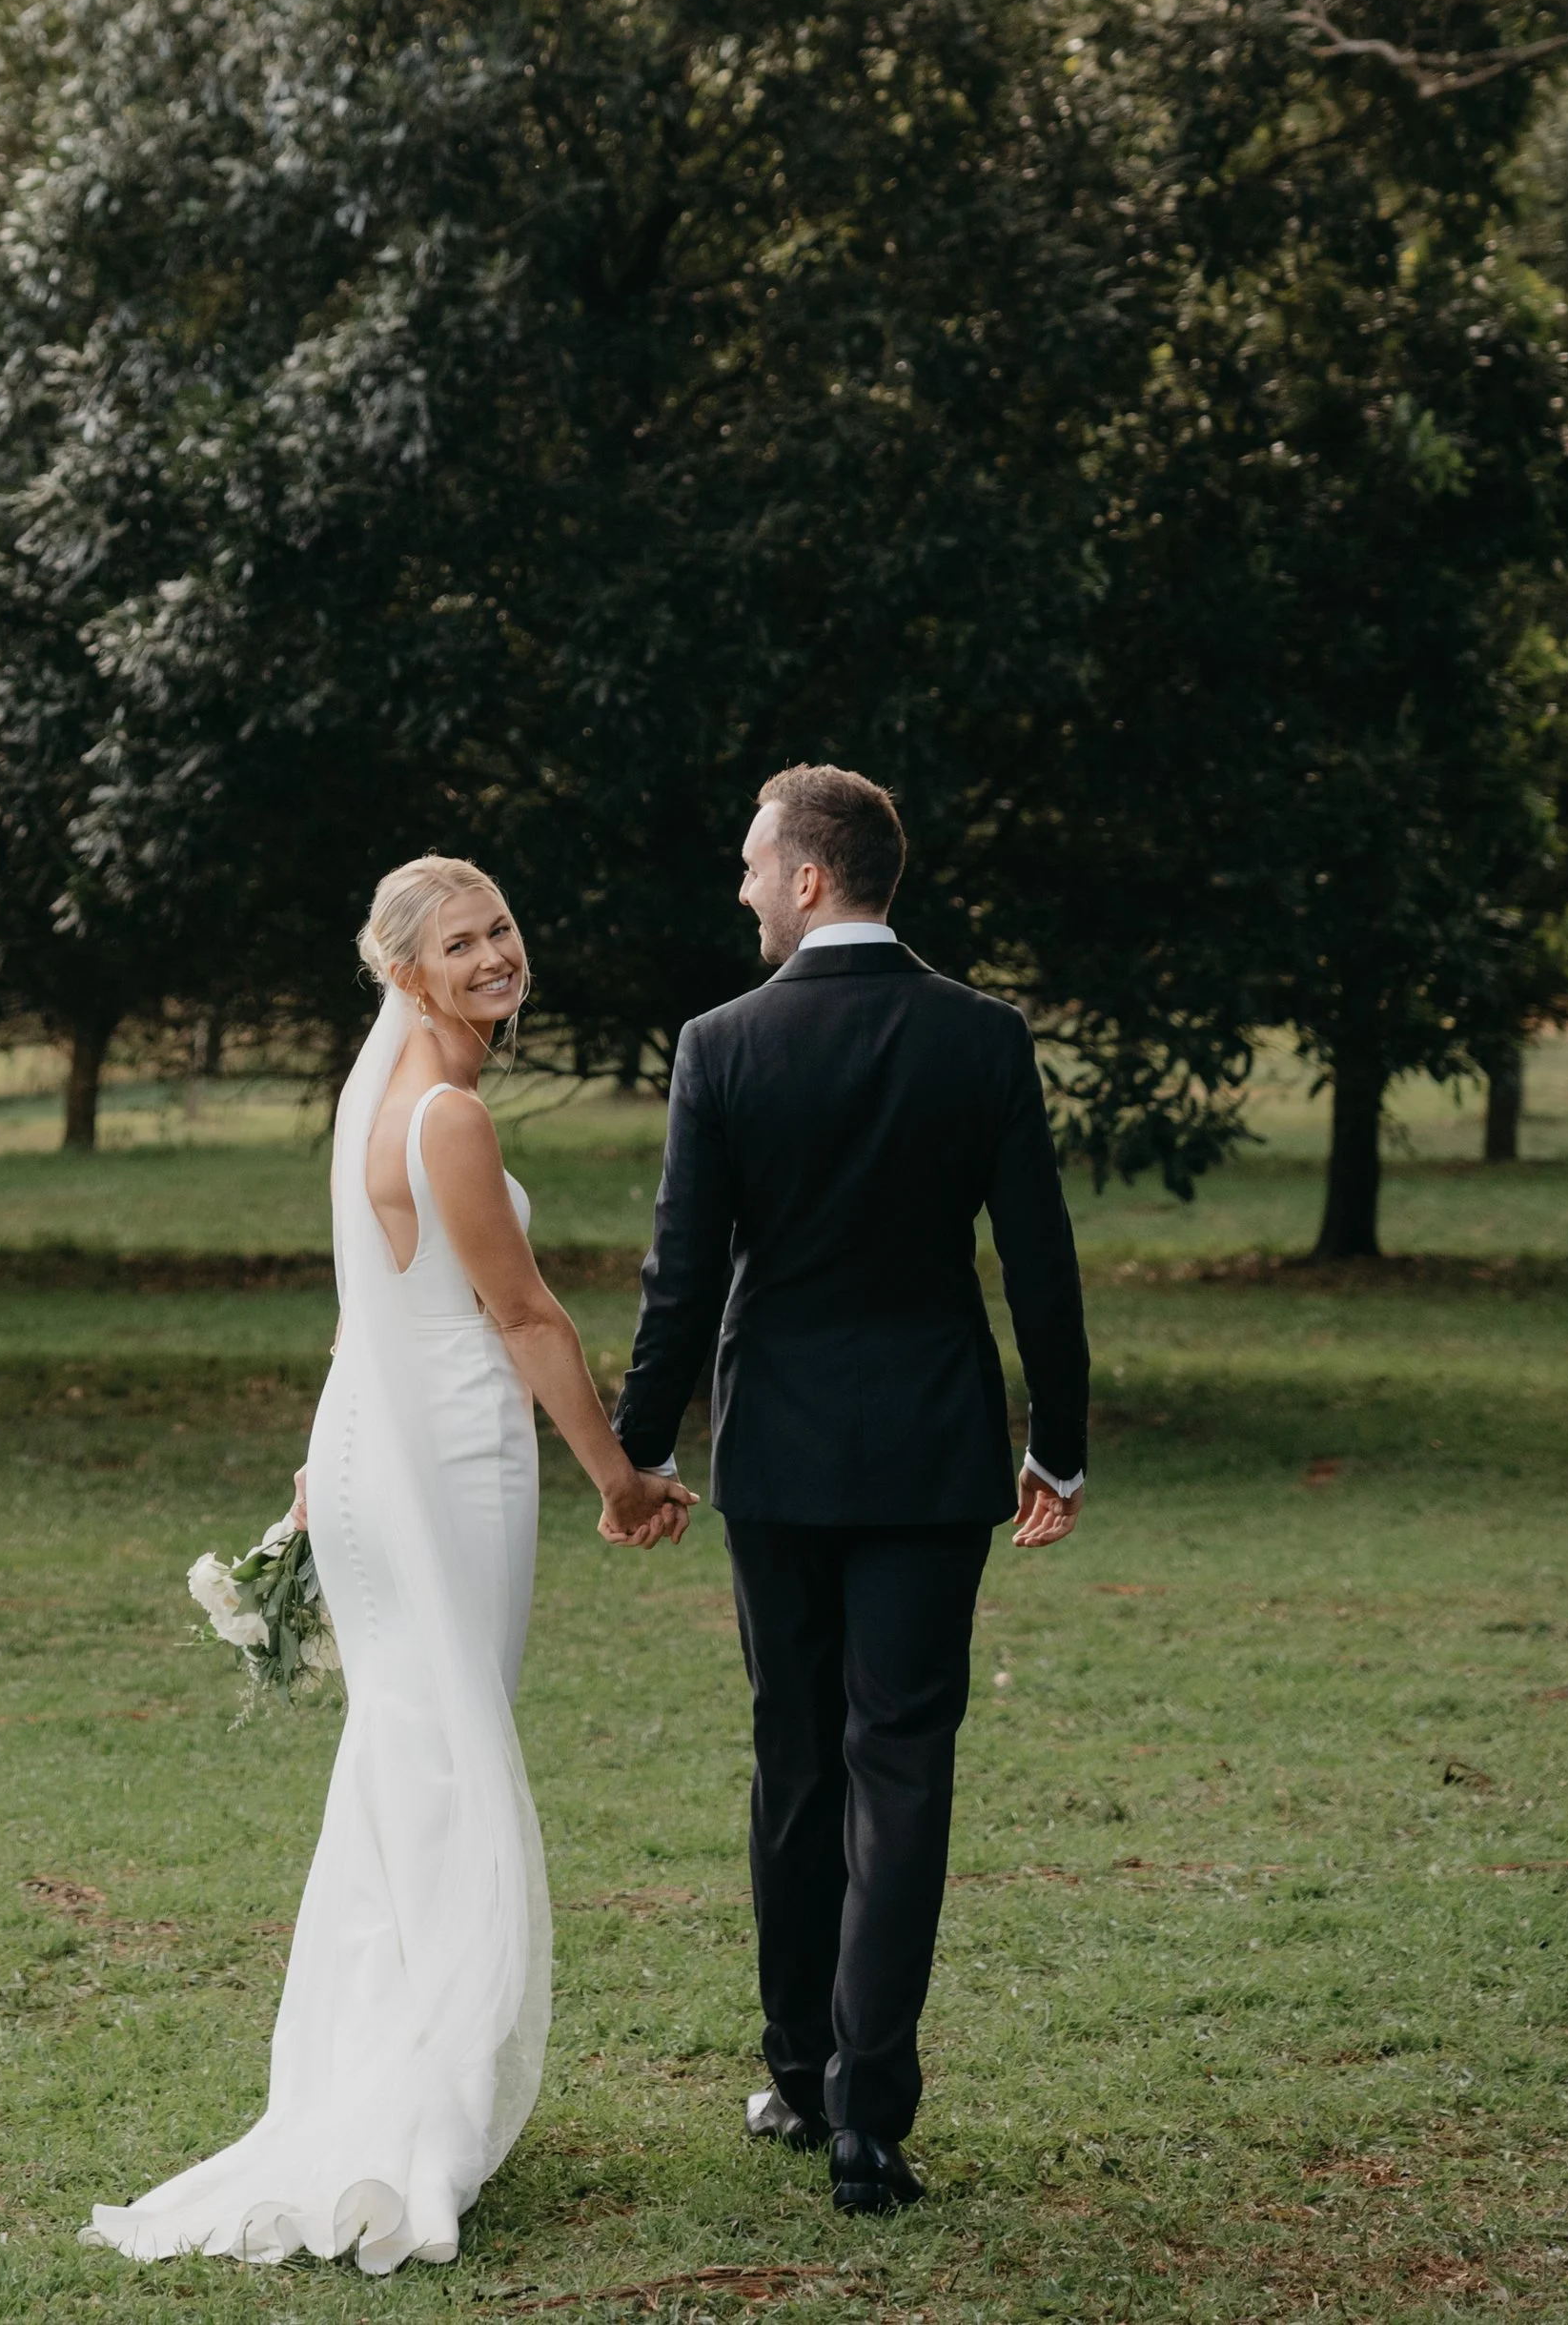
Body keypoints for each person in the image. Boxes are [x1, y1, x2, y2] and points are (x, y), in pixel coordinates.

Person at [85, 854, 690, 2275]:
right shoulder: (447, 1113)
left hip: (368, 1448)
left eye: (504, 929)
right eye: (463, 943)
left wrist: (318, 1460)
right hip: (444, 1465)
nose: (496, 956)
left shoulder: (371, 1093)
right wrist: (618, 1476)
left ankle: (387, 2063)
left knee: (402, 1760)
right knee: (449, 1762)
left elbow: (366, 1300)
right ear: (405, 969)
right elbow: (528, 1317)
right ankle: (418, 2108)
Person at [613, 764, 1089, 2218]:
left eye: (756, 863)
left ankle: (802, 2070)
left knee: (795, 1755)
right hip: (938, 1456)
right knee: (905, 1763)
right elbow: (1040, 1259)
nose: (743, 885)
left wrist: (642, 1444)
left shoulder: (720, 1043)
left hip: (782, 1461)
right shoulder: (985, 1036)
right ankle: (871, 2121)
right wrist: (1054, 1444)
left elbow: (682, 1271)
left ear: (811, 877)